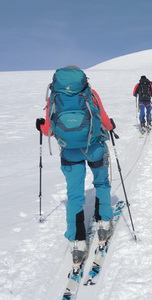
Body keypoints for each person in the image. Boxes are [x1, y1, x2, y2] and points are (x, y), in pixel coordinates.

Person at [35, 66, 116, 270]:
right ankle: (104, 223)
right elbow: (103, 117)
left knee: (75, 195)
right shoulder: (90, 93)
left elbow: (49, 129)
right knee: (102, 183)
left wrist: (40, 126)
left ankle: (78, 240)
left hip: (70, 151)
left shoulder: (54, 97)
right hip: (95, 147)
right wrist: (110, 127)